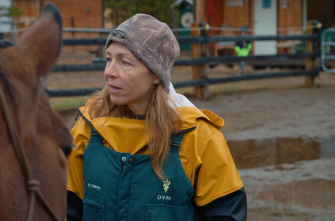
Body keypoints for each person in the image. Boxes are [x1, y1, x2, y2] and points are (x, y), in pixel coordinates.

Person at [66, 14, 247, 221]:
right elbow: (68, 209)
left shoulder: (199, 138)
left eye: (124, 62)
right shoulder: (87, 129)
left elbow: (227, 214)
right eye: (109, 59)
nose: (109, 72)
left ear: (155, 74)